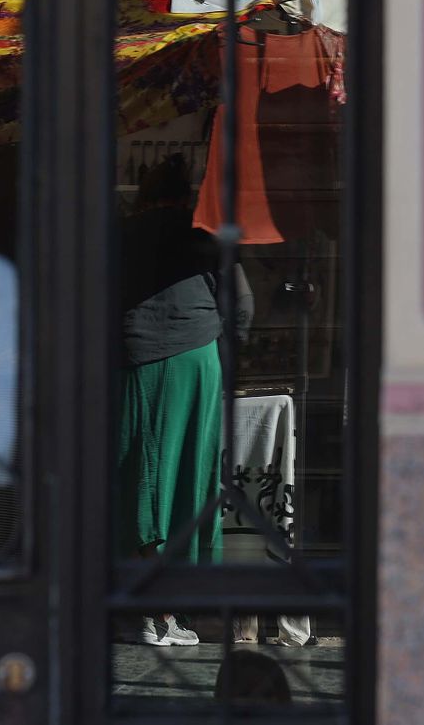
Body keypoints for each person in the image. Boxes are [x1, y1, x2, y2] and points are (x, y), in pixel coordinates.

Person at [116, 154, 253, 646]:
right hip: (198, 359)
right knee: (189, 480)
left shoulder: (124, 233)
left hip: (138, 360)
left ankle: (149, 610)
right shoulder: (205, 231)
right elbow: (239, 304)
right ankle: (168, 608)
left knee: (141, 479)